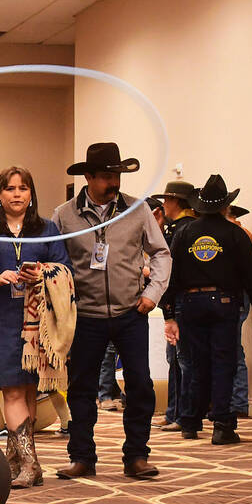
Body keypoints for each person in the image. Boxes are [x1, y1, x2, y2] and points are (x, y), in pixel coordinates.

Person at [54, 142, 170, 481]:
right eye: (106, 176)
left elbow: (161, 253)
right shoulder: (64, 215)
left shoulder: (137, 210)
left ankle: (136, 455)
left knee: (140, 385)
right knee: (81, 388)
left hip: (130, 311)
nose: (114, 182)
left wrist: (153, 293)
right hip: (85, 316)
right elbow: (55, 261)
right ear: (88, 177)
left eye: (117, 175)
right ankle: (82, 457)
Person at [0, 166, 70, 487]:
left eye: (23, 188)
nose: (17, 194)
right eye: (10, 189)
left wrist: (43, 273)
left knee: (28, 390)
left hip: (38, 323)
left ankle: (14, 459)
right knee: (11, 390)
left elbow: (65, 268)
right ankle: (31, 464)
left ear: (31, 194)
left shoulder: (47, 229)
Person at [163, 175, 252, 445]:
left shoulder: (184, 233)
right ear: (225, 206)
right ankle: (222, 424)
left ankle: (189, 421)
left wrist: (169, 314)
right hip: (224, 303)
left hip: (190, 304)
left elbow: (170, 275)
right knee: (223, 363)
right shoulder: (235, 234)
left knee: (193, 363)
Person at [153, 178, 196, 432]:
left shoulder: (183, 229)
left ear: (176, 201)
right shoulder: (177, 228)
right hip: (178, 300)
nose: (164, 205)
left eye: (167, 200)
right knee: (176, 359)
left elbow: (170, 266)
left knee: (183, 360)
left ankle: (182, 414)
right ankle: (174, 412)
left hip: (181, 301)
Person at [226, 203, 252, 418]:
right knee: (230, 347)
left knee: (232, 349)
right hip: (236, 294)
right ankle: (233, 401)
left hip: (236, 294)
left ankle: (238, 403)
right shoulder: (239, 234)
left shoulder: (240, 235)